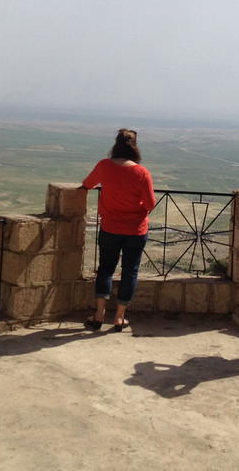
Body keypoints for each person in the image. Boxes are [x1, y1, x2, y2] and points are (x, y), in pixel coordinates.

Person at [80, 128, 157, 332]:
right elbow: (150, 204)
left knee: (106, 269)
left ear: (115, 144)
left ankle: (99, 315)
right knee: (130, 272)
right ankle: (119, 318)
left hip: (110, 227)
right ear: (135, 147)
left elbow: (87, 184)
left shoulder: (104, 165)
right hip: (136, 230)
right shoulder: (142, 172)